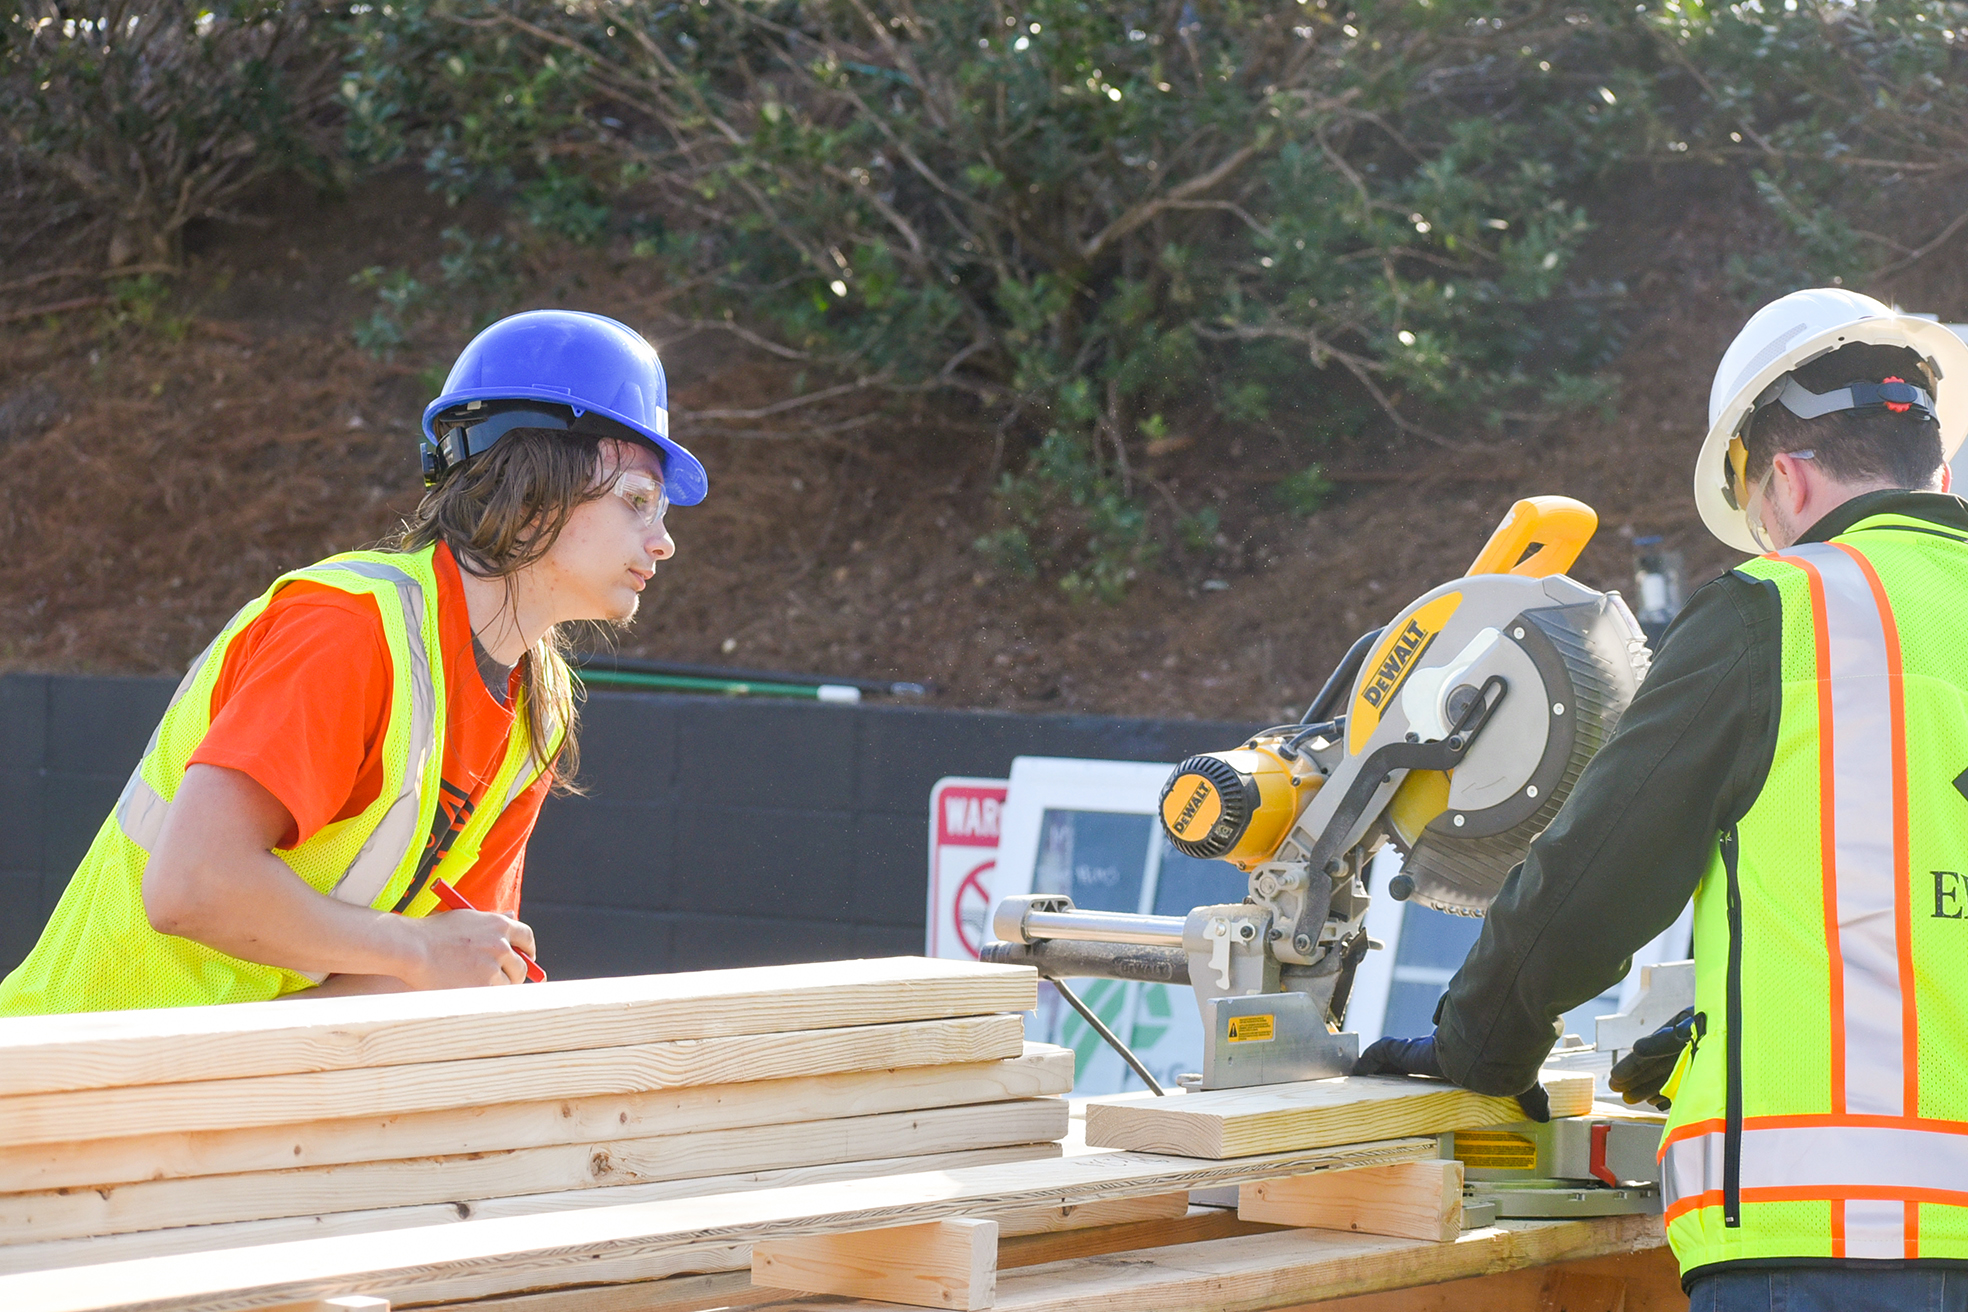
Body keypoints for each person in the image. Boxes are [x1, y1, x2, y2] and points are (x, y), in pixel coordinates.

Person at [1355, 287, 1968, 1308]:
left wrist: (1482, 1039)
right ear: (1936, 470)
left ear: (1784, 478)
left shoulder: (1780, 611)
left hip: (1826, 1238)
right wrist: (1711, 1026)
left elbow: (1593, 879)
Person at [0, 309, 705, 1014]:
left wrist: (447, 970)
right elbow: (192, 886)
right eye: (639, 501)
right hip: (68, 1077)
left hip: (228, 1090)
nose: (663, 541)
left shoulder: (536, 712)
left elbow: (430, 980)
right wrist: (420, 952)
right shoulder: (349, 628)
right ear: (532, 492)